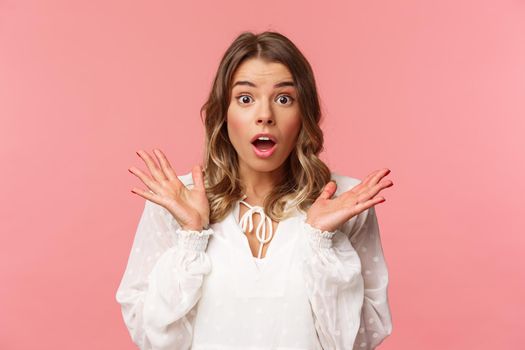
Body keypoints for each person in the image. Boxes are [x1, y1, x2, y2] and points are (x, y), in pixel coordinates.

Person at [116, 30, 394, 350]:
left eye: (284, 98)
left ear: (304, 114)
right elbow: (151, 337)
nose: (264, 116)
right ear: (224, 114)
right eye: (246, 99)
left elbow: (360, 339)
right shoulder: (177, 200)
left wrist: (321, 239)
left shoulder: (344, 201)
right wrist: (190, 236)